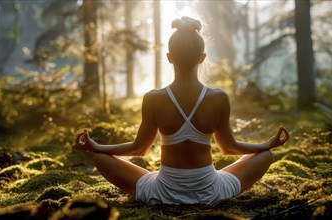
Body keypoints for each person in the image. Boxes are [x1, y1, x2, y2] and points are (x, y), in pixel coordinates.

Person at [75, 16, 289, 205]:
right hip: (211, 192)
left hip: (162, 192)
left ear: (169, 57)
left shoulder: (154, 98)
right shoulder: (218, 98)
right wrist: (267, 144)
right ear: (202, 57)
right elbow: (229, 148)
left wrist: (96, 146)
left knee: (100, 159)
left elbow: (139, 149)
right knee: (265, 156)